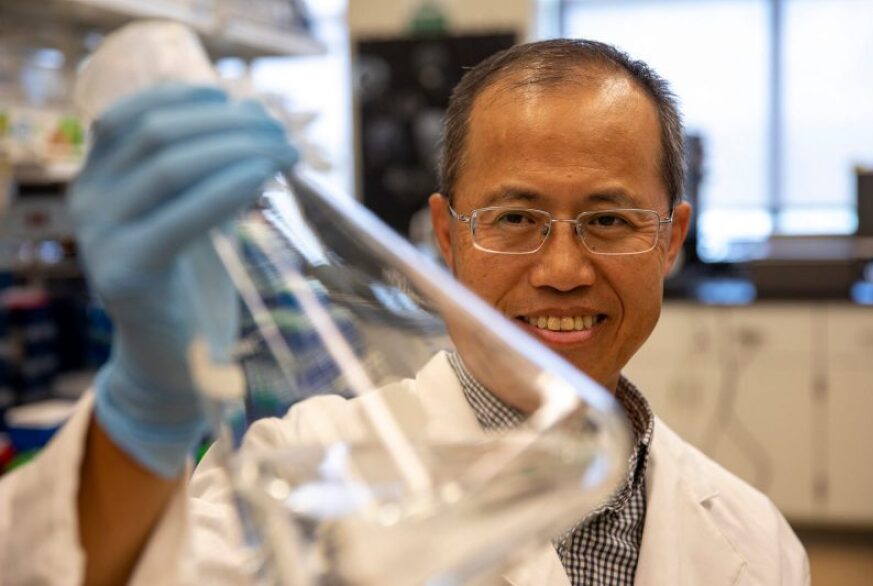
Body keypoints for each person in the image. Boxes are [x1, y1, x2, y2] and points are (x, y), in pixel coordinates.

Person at [0, 39, 809, 585]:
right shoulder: (303, 472)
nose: (563, 271)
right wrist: (146, 407)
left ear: (671, 240)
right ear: (446, 239)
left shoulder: (757, 540)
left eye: (608, 220)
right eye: (514, 217)